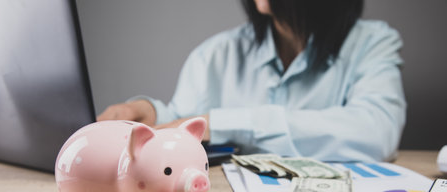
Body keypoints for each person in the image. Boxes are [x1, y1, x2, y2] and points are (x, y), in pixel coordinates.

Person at [98, 0, 406, 162]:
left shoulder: (373, 43)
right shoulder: (216, 53)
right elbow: (186, 121)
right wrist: (151, 114)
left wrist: (224, 123)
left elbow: (376, 132)